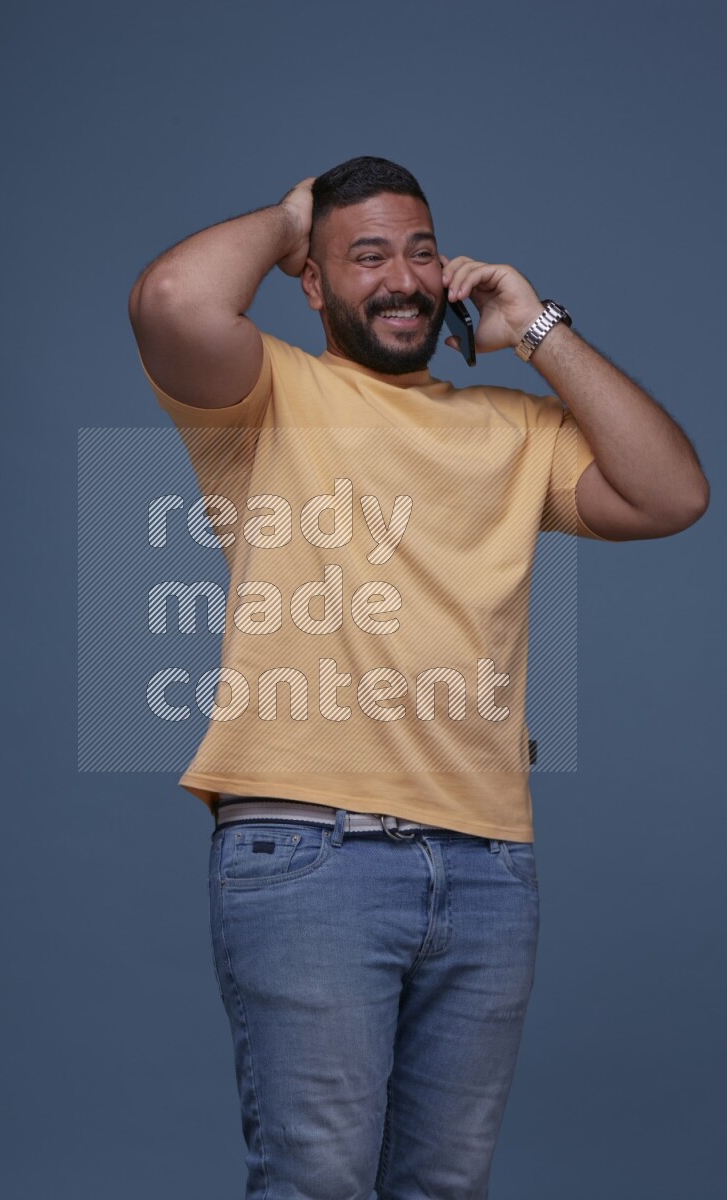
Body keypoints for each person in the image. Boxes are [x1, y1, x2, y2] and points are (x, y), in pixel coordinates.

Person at [128, 157, 709, 1199]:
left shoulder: (512, 429)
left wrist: (535, 329)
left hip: (489, 865)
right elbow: (170, 299)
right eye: (365, 256)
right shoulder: (264, 400)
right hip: (309, 855)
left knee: (442, 1190)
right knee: (318, 1186)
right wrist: (286, 215)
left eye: (420, 249)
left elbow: (670, 494)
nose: (401, 276)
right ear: (310, 283)